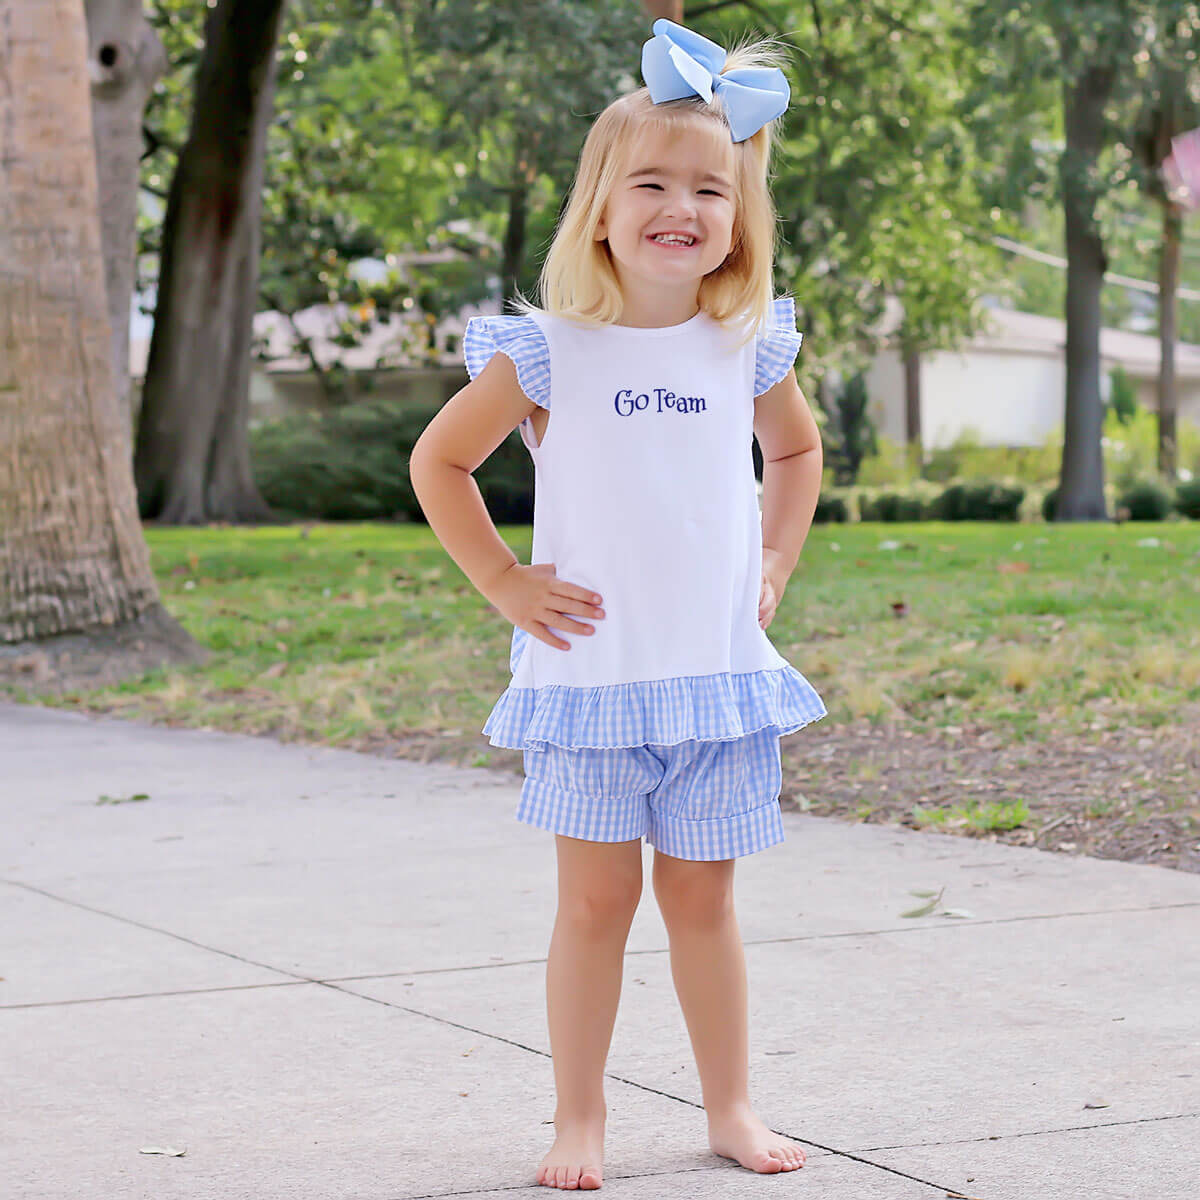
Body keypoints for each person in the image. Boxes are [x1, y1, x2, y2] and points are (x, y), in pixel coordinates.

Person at [409, 18, 826, 1192]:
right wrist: (502, 580)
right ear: (600, 205)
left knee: (705, 902)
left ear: (738, 214)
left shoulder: (746, 343)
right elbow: (438, 464)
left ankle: (732, 1106)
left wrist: (777, 562)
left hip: (715, 675)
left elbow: (794, 460)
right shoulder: (547, 351)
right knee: (595, 906)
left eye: (711, 186)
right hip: (592, 680)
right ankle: (578, 1119)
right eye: (651, 182)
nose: (680, 206)